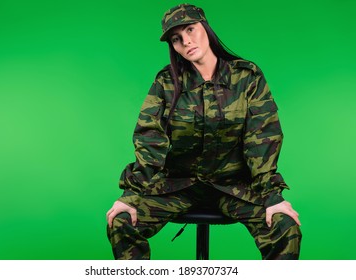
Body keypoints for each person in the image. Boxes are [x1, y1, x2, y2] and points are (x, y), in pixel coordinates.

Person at [106, 3, 302, 260]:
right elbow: (150, 137)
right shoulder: (166, 82)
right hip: (177, 187)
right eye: (177, 39)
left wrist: (272, 196)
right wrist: (130, 194)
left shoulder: (247, 77)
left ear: (206, 28)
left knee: (284, 227)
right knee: (121, 222)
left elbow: (262, 138)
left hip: (234, 187)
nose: (186, 42)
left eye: (191, 30)